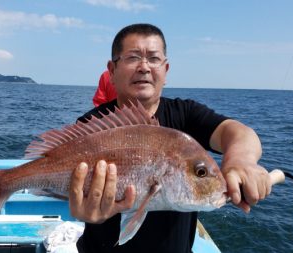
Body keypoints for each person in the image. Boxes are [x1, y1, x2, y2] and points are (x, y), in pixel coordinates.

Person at [69, 23, 272, 253]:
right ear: (112, 71)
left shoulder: (186, 115)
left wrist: (240, 160)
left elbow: (238, 132)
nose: (144, 67)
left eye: (154, 59)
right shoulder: (93, 124)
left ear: (166, 70)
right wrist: (82, 210)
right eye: (133, 57)